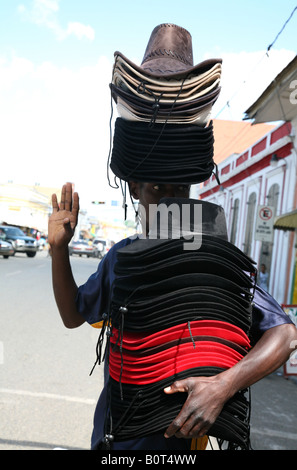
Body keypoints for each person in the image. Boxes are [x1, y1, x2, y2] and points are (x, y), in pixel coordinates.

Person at [48, 181, 297, 450]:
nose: (171, 200)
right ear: (135, 190)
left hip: (182, 443)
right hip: (118, 434)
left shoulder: (215, 262)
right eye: (157, 188)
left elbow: (285, 334)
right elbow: (73, 316)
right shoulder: (122, 258)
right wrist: (59, 249)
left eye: (180, 189)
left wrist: (223, 385)